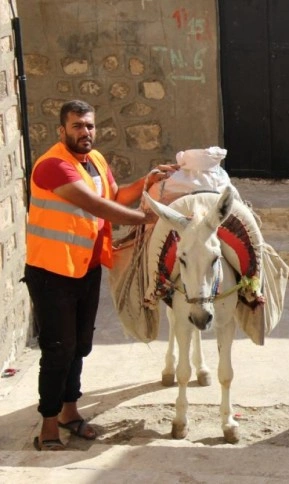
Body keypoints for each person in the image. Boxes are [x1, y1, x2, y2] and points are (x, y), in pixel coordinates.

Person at [24, 100, 179, 451]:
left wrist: (146, 181)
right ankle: (48, 425)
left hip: (85, 267)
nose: (85, 132)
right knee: (57, 349)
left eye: (90, 126)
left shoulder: (94, 161)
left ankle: (69, 413)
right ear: (61, 130)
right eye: (78, 126)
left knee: (80, 345)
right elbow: (93, 206)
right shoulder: (52, 165)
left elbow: (114, 196)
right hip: (52, 272)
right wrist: (146, 220)